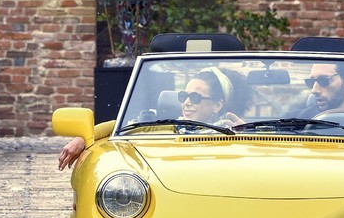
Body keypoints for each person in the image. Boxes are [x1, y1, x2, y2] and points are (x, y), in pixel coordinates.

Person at [58, 66, 244, 170]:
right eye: (183, 96)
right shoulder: (168, 125)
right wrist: (83, 138)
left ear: (217, 105)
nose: (187, 102)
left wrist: (245, 130)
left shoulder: (235, 130)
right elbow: (119, 126)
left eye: (195, 97)